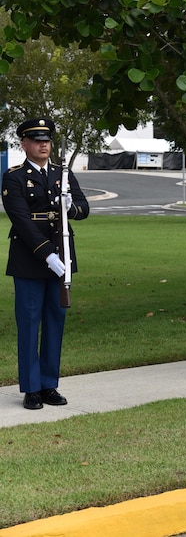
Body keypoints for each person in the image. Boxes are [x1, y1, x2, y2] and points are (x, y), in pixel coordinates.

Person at [2, 118, 90, 410]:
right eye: (36, 140)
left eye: (47, 140)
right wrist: (47, 254)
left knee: (55, 321)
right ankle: (31, 388)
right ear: (24, 145)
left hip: (61, 256)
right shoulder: (14, 177)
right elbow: (22, 221)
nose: (43, 144)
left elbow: (84, 209)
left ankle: (49, 384)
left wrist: (70, 206)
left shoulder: (62, 174)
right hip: (31, 259)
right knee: (29, 323)